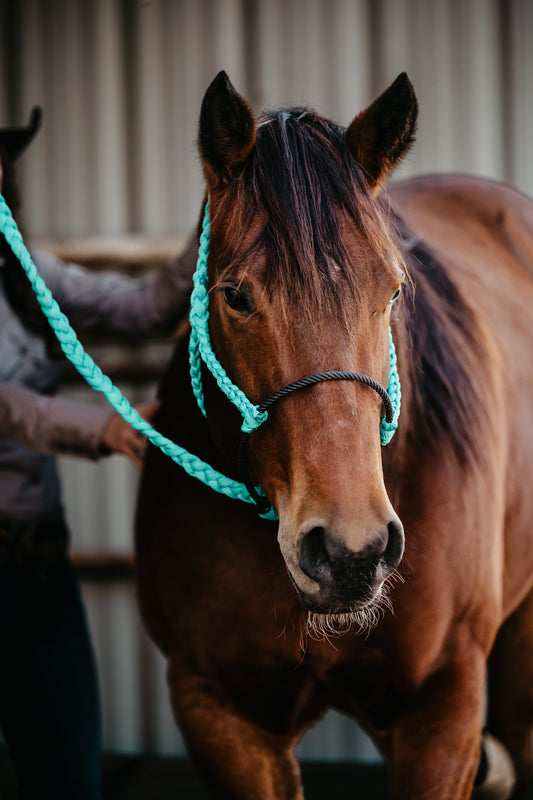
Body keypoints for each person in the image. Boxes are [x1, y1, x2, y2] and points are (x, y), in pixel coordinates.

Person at [0, 108, 197, 798]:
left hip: (35, 565)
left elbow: (145, 307)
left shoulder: (21, 272)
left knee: (70, 780)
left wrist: (221, 206)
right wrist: (105, 428)